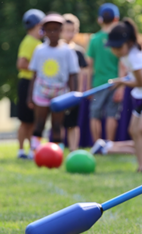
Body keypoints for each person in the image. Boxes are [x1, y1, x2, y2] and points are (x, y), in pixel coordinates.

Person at [91, 18, 142, 173]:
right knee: (133, 130)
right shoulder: (126, 55)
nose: (115, 51)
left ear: (129, 42)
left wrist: (121, 82)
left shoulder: (135, 56)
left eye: (118, 47)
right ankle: (140, 165)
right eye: (113, 47)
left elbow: (141, 82)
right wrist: (122, 81)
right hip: (141, 94)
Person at [28, 13, 79, 155]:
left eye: (56, 29)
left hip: (60, 92)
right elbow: (34, 75)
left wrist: (73, 95)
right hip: (41, 91)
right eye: (49, 30)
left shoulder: (67, 51)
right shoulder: (39, 50)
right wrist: (30, 96)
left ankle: (57, 153)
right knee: (39, 122)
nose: (52, 33)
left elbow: (72, 74)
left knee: (57, 124)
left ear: (61, 30)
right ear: (44, 31)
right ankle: (34, 151)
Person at [87, 3, 125, 143]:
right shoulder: (119, 39)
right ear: (116, 19)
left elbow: (89, 66)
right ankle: (109, 144)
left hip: (97, 84)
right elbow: (122, 65)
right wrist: (121, 87)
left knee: (95, 115)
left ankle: (97, 144)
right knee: (111, 115)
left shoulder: (94, 39)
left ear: (99, 20)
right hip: (115, 83)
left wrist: (89, 86)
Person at [16, 9, 45, 159]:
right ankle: (21, 150)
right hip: (27, 83)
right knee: (25, 120)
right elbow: (21, 63)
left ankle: (31, 150)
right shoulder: (30, 42)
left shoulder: (36, 42)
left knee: (32, 120)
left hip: (33, 83)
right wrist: (38, 68)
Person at [61, 13, 88, 151]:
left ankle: (73, 150)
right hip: (58, 91)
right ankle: (56, 149)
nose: (69, 34)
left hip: (73, 93)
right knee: (58, 122)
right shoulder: (57, 50)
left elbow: (83, 74)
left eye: (73, 31)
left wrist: (79, 92)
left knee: (73, 124)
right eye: (67, 30)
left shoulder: (79, 51)